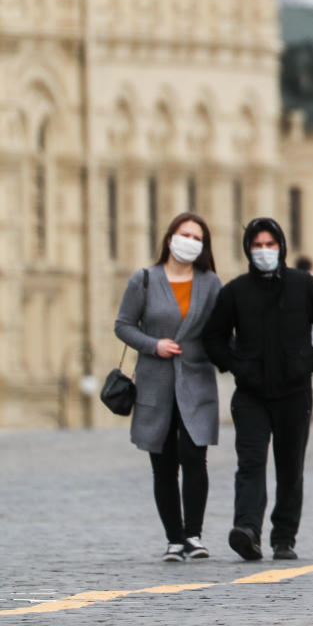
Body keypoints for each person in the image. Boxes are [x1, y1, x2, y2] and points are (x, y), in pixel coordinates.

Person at [202, 217, 313, 561]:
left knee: (289, 466)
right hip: (251, 394)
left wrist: (309, 363)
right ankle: (247, 530)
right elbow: (213, 337)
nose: (264, 251)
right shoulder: (235, 291)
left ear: (281, 247)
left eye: (270, 244)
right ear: (248, 250)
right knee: (250, 462)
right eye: (257, 245)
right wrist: (236, 365)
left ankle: (284, 537)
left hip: (295, 394)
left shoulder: (305, 286)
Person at [114, 212, 222, 562]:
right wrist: (153, 345)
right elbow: (124, 326)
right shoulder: (144, 279)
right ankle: (174, 538)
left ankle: (194, 535)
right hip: (155, 383)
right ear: (169, 238)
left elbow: (220, 330)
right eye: (183, 234)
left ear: (203, 246)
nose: (188, 242)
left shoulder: (210, 283)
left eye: (196, 237)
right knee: (163, 462)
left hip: (196, 381)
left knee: (195, 456)